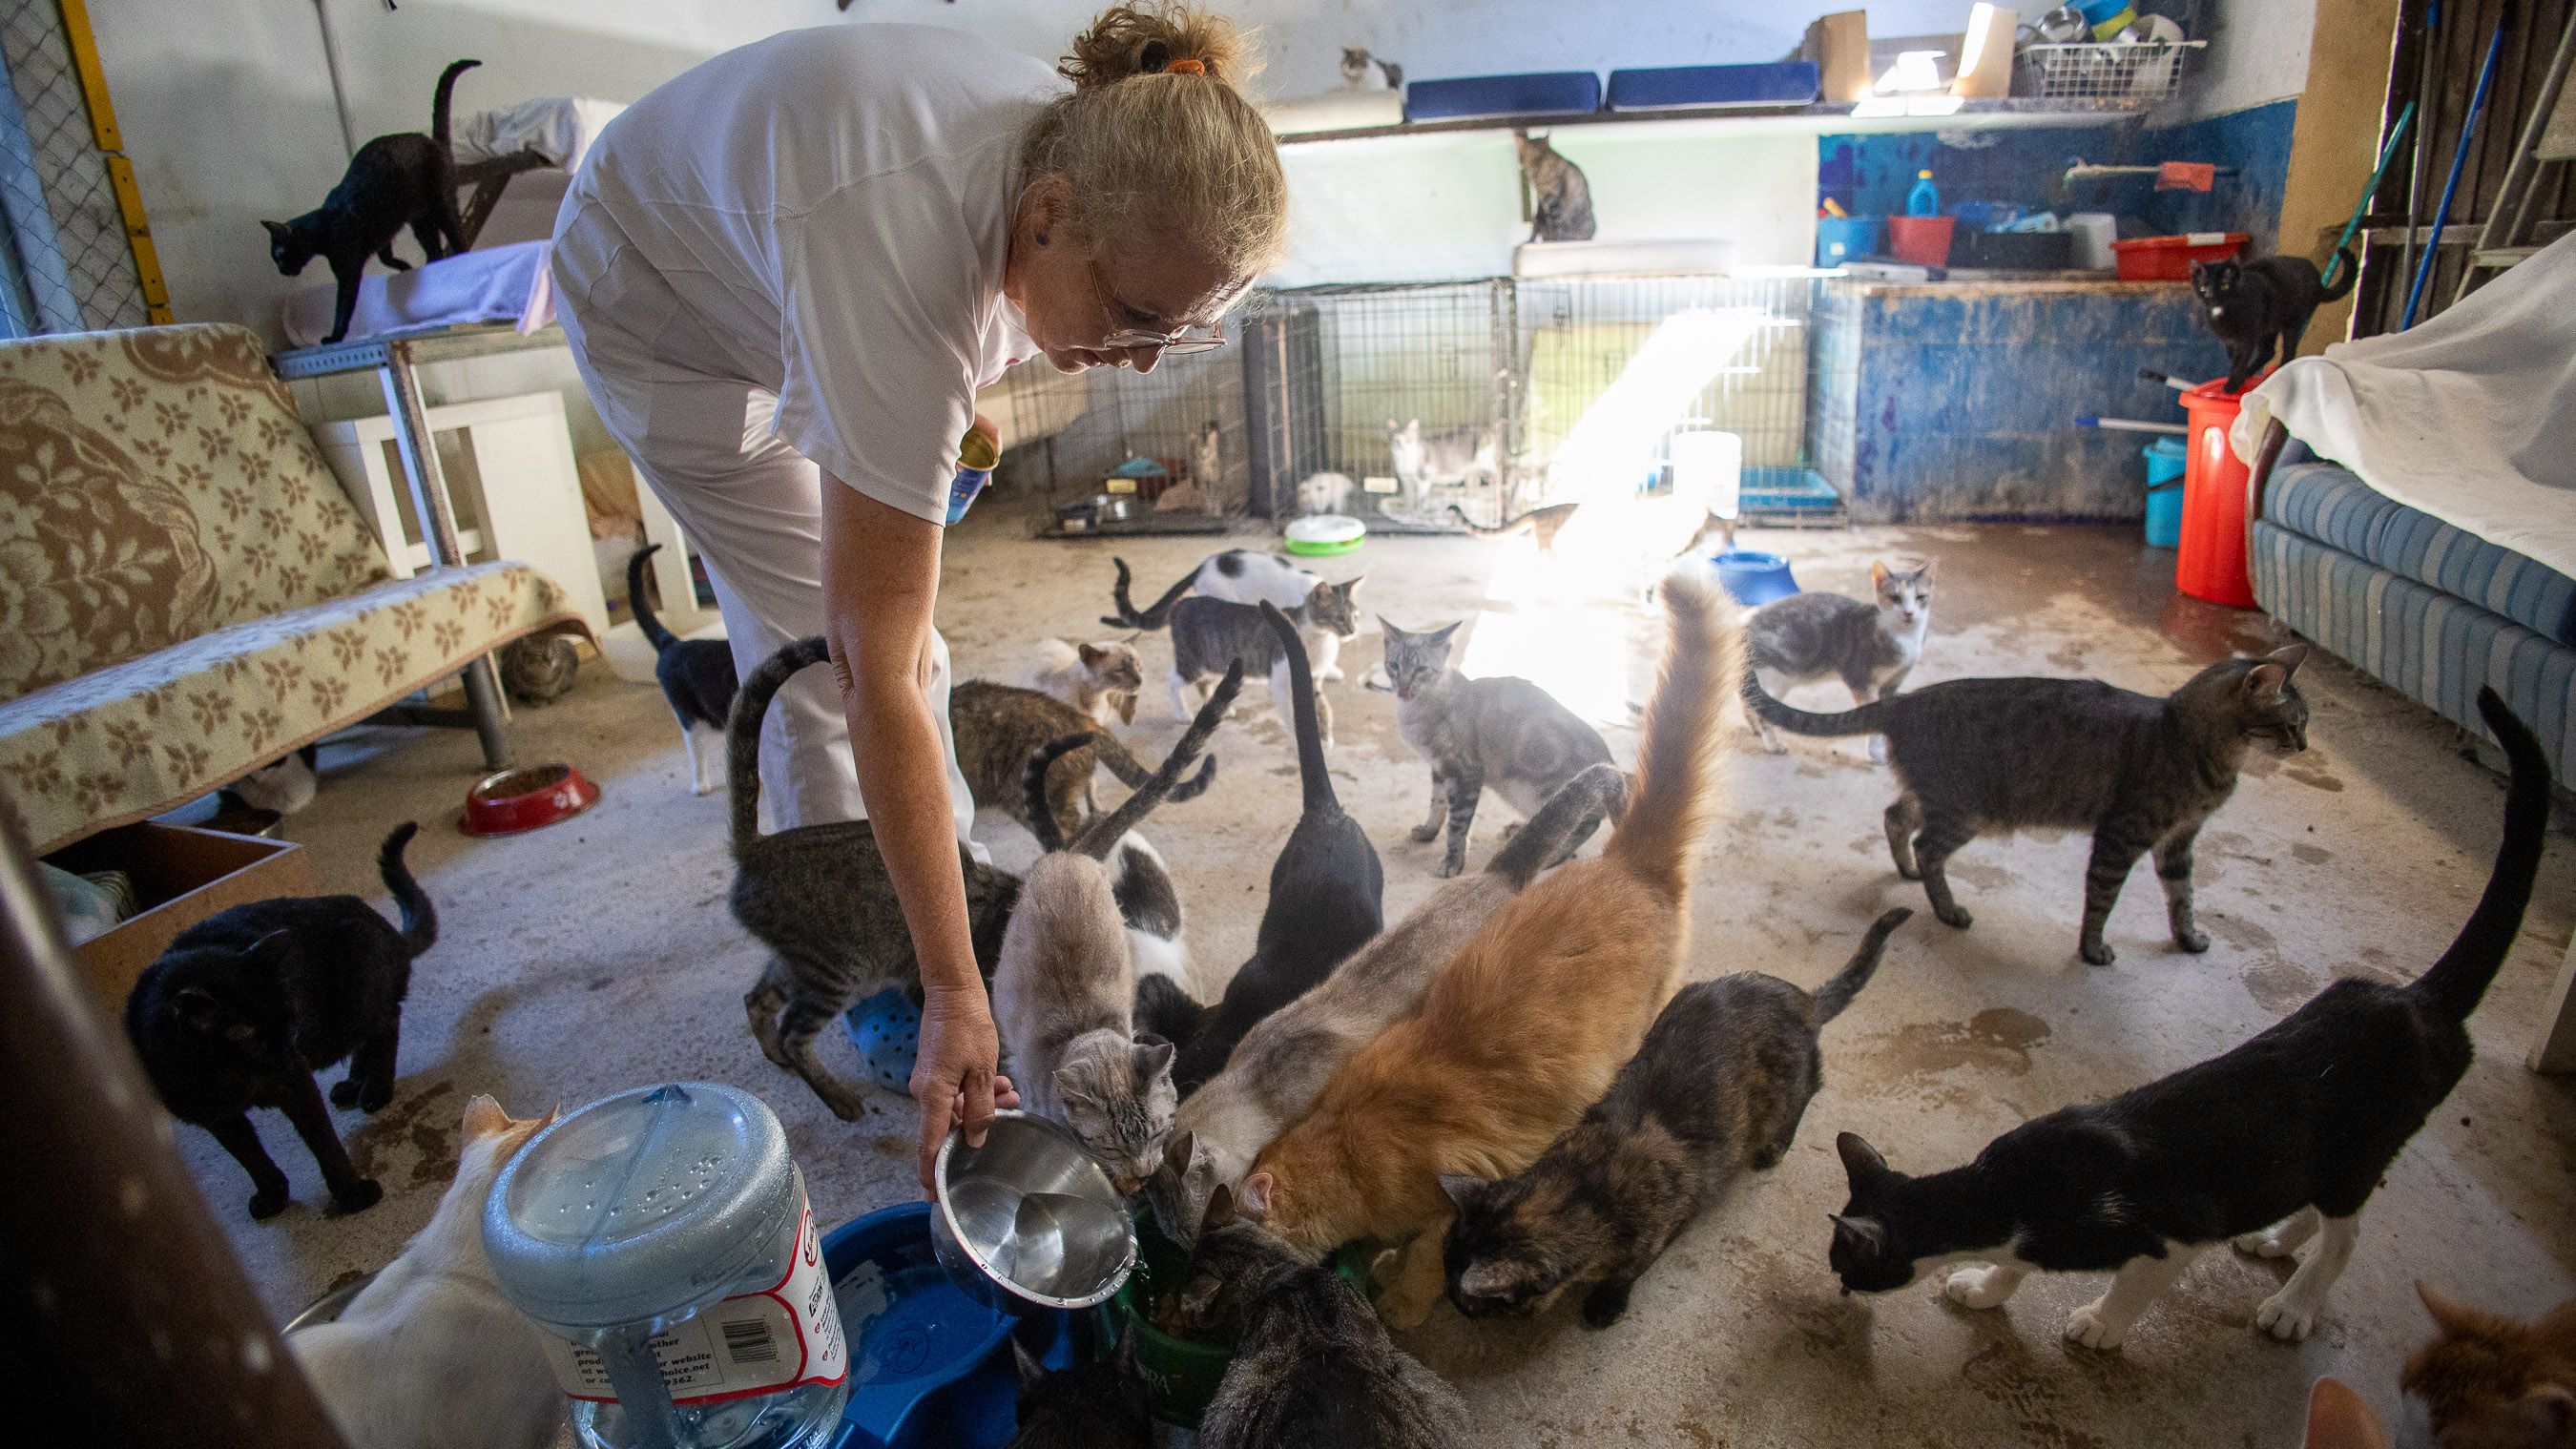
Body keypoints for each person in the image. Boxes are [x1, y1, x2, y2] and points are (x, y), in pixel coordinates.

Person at [551, 5, 1288, 1187]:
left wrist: (933, 432)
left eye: (1189, 332)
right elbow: (869, 667)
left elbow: (978, 333)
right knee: (825, 648)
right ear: (1048, 217)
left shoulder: (1096, 154)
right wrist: (955, 989)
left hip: (802, 231)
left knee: (909, 640)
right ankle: (884, 965)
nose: (1150, 359)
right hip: (657, 294)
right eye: (1143, 317)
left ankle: (931, 903)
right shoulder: (902, 250)